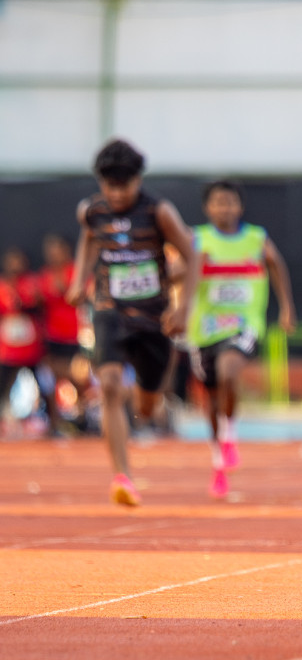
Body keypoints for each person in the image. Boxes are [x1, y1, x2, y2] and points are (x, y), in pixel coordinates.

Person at [66, 139, 199, 506]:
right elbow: (89, 241)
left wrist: (183, 307)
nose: (117, 193)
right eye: (109, 185)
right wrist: (80, 279)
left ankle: (146, 405)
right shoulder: (91, 211)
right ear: (100, 183)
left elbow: (192, 256)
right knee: (108, 385)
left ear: (138, 180)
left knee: (146, 405)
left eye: (124, 185)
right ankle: (122, 477)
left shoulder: (159, 212)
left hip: (152, 317)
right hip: (110, 309)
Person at [187, 180, 296, 499]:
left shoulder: (256, 238)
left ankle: (231, 435)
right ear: (208, 208)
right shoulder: (198, 240)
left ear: (241, 206)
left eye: (230, 202)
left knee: (229, 371)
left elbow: (276, 265)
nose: (225, 208)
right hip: (203, 327)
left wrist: (287, 306)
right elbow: (182, 271)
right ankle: (218, 461)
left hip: (243, 321)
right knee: (209, 398)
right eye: (218, 203)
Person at [37, 234, 87, 433]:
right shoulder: (44, 275)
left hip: (75, 335)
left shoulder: (76, 272)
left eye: (56, 250)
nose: (53, 254)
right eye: (49, 251)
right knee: (50, 378)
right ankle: (54, 421)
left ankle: (83, 416)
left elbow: (83, 294)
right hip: (52, 336)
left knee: (79, 377)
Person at [0, 248, 47, 434]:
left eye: (18, 261)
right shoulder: (3, 286)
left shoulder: (32, 283)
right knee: (3, 385)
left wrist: (27, 304)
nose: (15, 266)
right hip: (8, 349)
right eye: (11, 261)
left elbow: (40, 307)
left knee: (43, 384)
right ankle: (4, 419)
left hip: (32, 349)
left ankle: (49, 419)